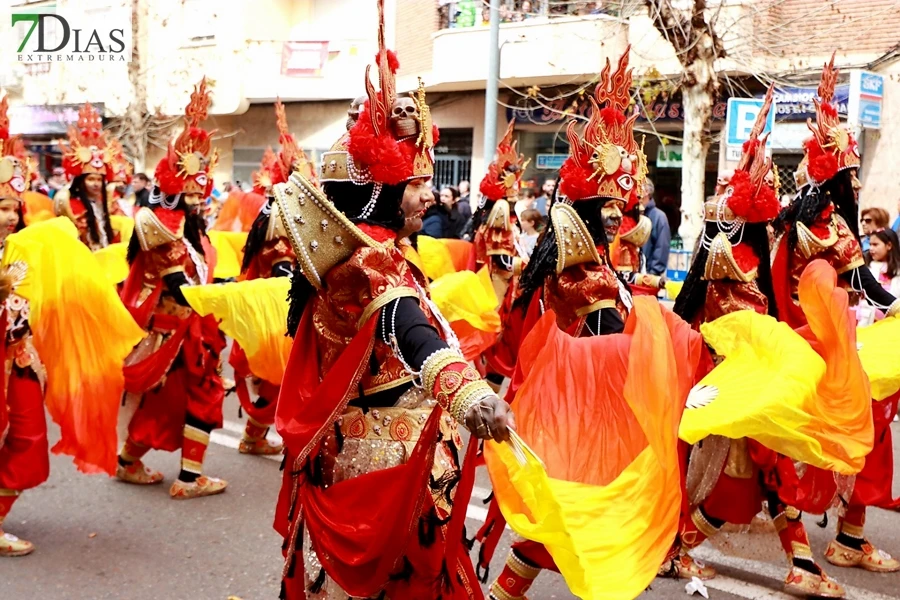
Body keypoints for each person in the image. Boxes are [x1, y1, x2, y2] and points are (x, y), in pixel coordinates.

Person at [272, 6, 510, 596]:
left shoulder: (382, 251)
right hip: (376, 456)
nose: (429, 195)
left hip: (362, 440)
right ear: (380, 194)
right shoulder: (367, 263)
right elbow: (409, 330)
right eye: (417, 184)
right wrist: (469, 393)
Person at [483, 48, 708, 600]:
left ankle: (507, 593)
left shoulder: (592, 248)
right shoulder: (569, 244)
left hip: (594, 394)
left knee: (577, 501)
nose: (617, 214)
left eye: (620, 203)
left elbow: (614, 313)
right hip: (570, 399)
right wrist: (650, 329)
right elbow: (585, 314)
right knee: (570, 500)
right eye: (608, 204)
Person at [772, 54, 900, 577]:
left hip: (816, 344)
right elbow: (860, 285)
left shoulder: (818, 227)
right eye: (850, 178)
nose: (855, 185)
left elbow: (859, 282)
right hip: (814, 347)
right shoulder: (815, 228)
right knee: (857, 434)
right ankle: (843, 539)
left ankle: (843, 537)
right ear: (838, 184)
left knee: (849, 436)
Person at [0, 95, 143, 556]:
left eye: (10, 207)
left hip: (19, 358)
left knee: (27, 438)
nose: (6, 215)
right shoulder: (64, 212)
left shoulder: (28, 244)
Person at [116, 77, 230, 500]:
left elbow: (196, 279)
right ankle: (188, 479)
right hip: (180, 329)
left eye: (202, 194)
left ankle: (128, 461)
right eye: (192, 195)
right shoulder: (161, 228)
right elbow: (180, 288)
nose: (200, 201)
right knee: (205, 394)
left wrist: (222, 288)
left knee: (168, 402)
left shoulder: (189, 229)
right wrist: (224, 296)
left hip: (189, 326)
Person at [229, 100, 313, 456]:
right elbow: (280, 264)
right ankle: (268, 436)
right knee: (279, 379)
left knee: (275, 379)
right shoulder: (280, 213)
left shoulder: (285, 208)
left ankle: (254, 436)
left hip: (282, 303)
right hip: (279, 306)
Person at [52, 102, 118, 251]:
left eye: (99, 179)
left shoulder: (108, 205)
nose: (96, 184)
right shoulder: (71, 206)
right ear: (81, 182)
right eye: (91, 179)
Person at [640, 177, 671, 277]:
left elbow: (662, 247)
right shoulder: (631, 214)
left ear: (647, 193)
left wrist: (653, 273)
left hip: (648, 274)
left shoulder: (659, 217)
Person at [866, 228, 900, 297]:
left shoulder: (897, 270)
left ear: (889, 245)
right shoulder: (868, 268)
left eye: (875, 245)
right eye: (870, 245)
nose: (871, 248)